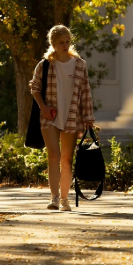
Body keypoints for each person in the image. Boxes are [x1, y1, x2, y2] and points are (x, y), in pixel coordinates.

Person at [30, 25, 95, 211]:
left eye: (67, 42)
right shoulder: (45, 65)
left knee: (66, 159)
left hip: (72, 116)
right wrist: (43, 107)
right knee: (53, 156)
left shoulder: (79, 64)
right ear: (53, 44)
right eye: (61, 42)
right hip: (49, 117)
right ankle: (54, 198)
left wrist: (88, 117)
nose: (65, 45)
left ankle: (65, 199)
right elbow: (34, 88)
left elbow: (86, 93)